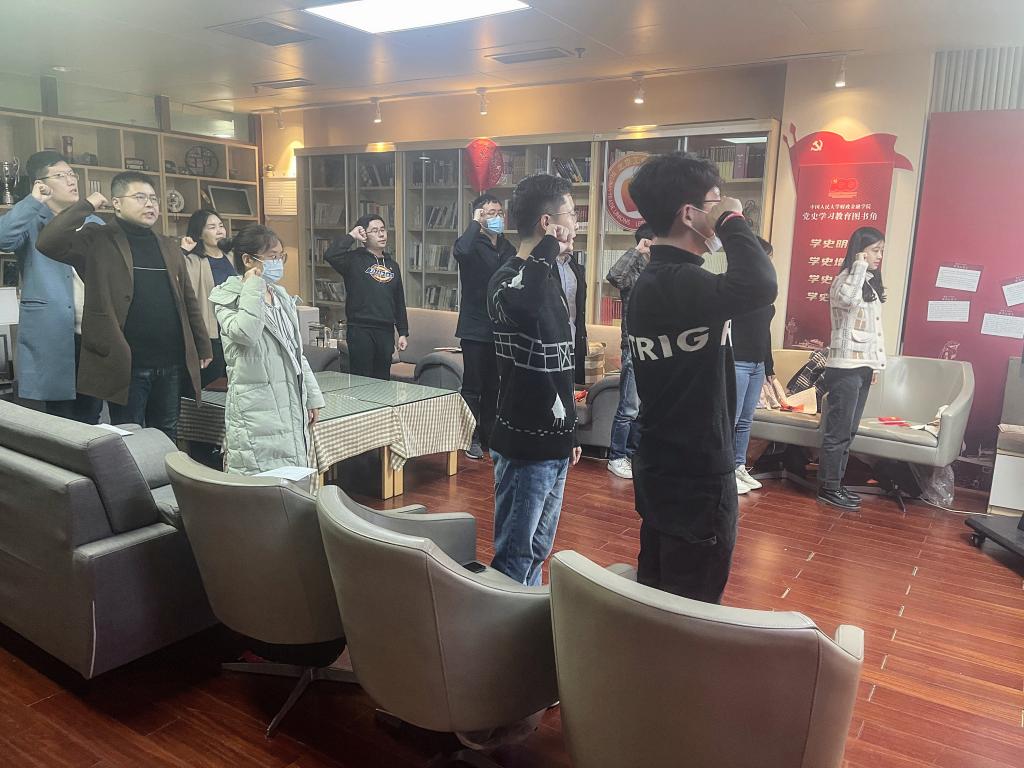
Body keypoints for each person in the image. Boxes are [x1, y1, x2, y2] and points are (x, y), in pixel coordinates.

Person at [626, 152, 777, 603]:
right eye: (714, 201)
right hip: (695, 471)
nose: (721, 207)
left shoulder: (656, 283)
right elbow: (760, 283)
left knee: (658, 590)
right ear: (690, 214)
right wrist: (731, 218)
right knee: (691, 603)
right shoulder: (679, 282)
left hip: (660, 460)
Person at [36, 171, 212, 441]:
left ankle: (165, 472)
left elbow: (187, 298)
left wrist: (202, 343)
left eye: (153, 198)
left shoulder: (167, 244)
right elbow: (49, 242)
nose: (150, 204)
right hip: (127, 363)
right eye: (140, 197)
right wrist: (87, 205)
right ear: (116, 203)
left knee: (167, 431)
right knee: (129, 434)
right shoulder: (97, 239)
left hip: (171, 360)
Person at [486, 174, 583, 586]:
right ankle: (504, 621)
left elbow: (561, 363)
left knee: (539, 550)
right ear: (548, 223)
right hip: (523, 445)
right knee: (515, 553)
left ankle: (526, 616)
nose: (576, 223)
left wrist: (570, 432)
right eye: (571, 214)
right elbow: (524, 307)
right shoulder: (506, 278)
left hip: (555, 440)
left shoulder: (552, 277)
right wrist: (547, 249)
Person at [209, 225, 324, 475]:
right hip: (256, 409)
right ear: (248, 260)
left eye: (281, 256)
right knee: (260, 479)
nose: (278, 263)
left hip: (289, 400)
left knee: (292, 478)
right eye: (272, 256)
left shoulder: (280, 295)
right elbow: (246, 333)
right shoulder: (227, 297)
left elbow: (295, 352)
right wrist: (253, 286)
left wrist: (311, 397)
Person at [0, 151, 103, 422]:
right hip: (52, 331)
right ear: (41, 184)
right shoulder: (31, 219)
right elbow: (3, 238)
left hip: (92, 332)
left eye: (72, 174)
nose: (71, 180)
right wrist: (33, 201)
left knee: (92, 416)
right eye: (61, 175)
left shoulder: (92, 221)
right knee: (59, 418)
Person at [818, 226, 887, 510]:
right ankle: (828, 487)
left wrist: (875, 366)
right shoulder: (845, 279)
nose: (879, 256)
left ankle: (836, 483)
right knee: (838, 431)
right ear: (860, 251)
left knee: (850, 431)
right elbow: (847, 301)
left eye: (882, 250)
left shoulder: (868, 282)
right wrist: (858, 265)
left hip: (862, 367)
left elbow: (874, 331)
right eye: (874, 250)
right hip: (845, 367)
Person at [453, 193, 517, 460]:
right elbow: (460, 252)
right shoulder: (471, 243)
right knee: (473, 386)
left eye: (499, 213)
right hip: (474, 326)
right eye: (490, 213)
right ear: (479, 215)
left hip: (500, 327)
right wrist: (475, 223)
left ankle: (491, 435)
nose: (497, 217)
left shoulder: (507, 247)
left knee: (494, 386)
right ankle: (470, 437)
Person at [324, 214, 409, 379]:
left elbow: (399, 300)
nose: (381, 234)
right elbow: (330, 255)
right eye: (375, 231)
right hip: (360, 329)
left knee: (382, 380)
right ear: (364, 236)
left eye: (383, 230)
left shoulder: (393, 265)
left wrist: (403, 332)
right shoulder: (353, 260)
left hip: (385, 331)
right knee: (362, 379)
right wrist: (351, 235)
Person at [604, 223, 654, 479]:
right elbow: (614, 277)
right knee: (629, 407)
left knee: (645, 408)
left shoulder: (659, 270)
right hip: (633, 346)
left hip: (655, 349)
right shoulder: (633, 270)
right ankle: (616, 456)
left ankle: (634, 454)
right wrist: (637, 250)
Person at [731, 236, 778, 495]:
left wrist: (769, 367)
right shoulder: (735, 288)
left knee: (746, 420)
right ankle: (726, 470)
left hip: (757, 364)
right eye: (766, 257)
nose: (769, 263)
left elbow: (765, 333)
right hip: (737, 361)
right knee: (732, 419)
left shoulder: (765, 292)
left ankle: (739, 465)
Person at [181, 209, 236, 386]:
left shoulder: (232, 257)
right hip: (211, 334)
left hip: (234, 332)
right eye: (212, 227)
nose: (219, 231)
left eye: (221, 226)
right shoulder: (193, 260)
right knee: (210, 384)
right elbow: (175, 276)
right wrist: (183, 252)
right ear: (199, 234)